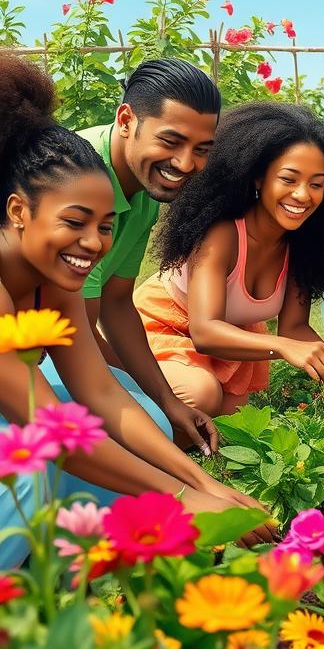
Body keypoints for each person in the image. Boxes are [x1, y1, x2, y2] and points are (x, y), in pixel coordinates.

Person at [0, 55, 272, 569]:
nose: (94, 242)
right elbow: (53, 430)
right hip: (25, 426)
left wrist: (203, 482)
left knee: (128, 422)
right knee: (34, 468)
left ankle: (71, 551)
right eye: (76, 221)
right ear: (18, 212)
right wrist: (179, 498)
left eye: (105, 226)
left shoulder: (58, 275)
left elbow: (98, 388)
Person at [135, 102, 324, 414]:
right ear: (258, 178)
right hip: (164, 329)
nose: (303, 195)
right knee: (201, 396)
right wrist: (286, 349)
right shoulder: (223, 235)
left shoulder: (301, 244)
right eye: (289, 179)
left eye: (316, 184)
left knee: (234, 417)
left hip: (230, 345)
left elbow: (294, 328)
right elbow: (205, 331)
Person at [46, 58, 223, 455]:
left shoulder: (144, 187)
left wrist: (165, 398)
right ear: (126, 120)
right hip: (32, 345)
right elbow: (78, 333)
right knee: (152, 431)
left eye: (201, 149)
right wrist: (155, 405)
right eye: (171, 141)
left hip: (67, 339)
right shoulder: (78, 178)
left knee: (182, 407)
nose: (185, 164)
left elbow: (116, 302)